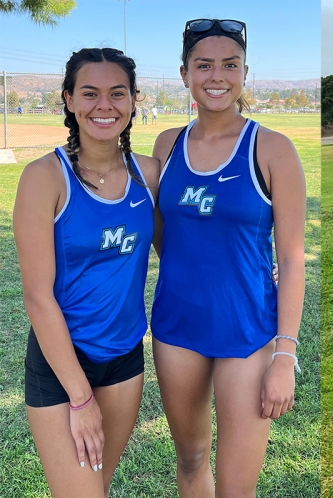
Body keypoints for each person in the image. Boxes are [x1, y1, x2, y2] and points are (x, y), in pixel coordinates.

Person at [150, 18, 306, 497]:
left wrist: (285, 354)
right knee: (192, 459)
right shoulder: (167, 145)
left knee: (237, 487)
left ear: (244, 73)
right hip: (177, 328)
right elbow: (163, 236)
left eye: (229, 65)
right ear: (184, 73)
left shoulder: (273, 149)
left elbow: (294, 257)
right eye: (204, 65)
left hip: (248, 330)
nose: (216, 76)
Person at [13, 48, 158, 497]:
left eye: (117, 93)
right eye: (90, 93)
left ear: (134, 100)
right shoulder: (45, 178)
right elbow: (38, 297)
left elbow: (183, 252)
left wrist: (256, 267)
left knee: (99, 486)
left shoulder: (147, 175)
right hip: (62, 366)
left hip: (125, 361)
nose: (104, 105)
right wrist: (80, 397)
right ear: (69, 100)